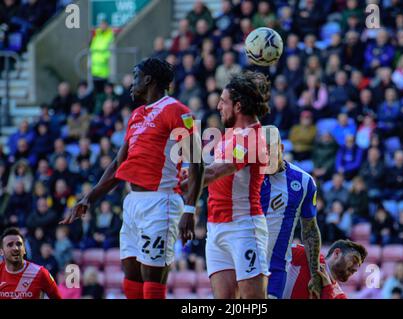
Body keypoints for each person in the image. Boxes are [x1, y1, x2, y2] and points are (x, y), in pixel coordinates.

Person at [60, 57, 205, 300]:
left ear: (149, 79)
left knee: (152, 273)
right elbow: (119, 163)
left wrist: (190, 210)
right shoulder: (137, 115)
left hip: (162, 202)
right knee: (130, 272)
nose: (131, 83)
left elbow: (198, 162)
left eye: (135, 76)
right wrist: (89, 198)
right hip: (133, 201)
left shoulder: (178, 112)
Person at [182, 71, 270, 299]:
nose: (218, 106)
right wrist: (186, 174)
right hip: (215, 228)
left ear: (238, 106)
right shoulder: (229, 135)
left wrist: (178, 183)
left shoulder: (253, 138)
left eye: (223, 101)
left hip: (244, 228)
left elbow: (214, 172)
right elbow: (208, 173)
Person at [260, 126, 321, 299]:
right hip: (241, 266)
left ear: (281, 148)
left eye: (271, 154)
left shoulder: (303, 181)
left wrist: (315, 274)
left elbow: (310, 230)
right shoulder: (245, 177)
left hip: (275, 270)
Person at [283, 239, 367, 299]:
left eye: (358, 265)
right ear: (337, 253)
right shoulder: (308, 255)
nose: (356, 268)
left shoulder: (339, 296)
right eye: (354, 260)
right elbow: (274, 251)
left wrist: (328, 288)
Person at [0, 227, 61, 299]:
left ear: (24, 250)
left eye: (19, 244)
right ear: (1, 252)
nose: (15, 248)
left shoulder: (41, 273)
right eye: (10, 245)